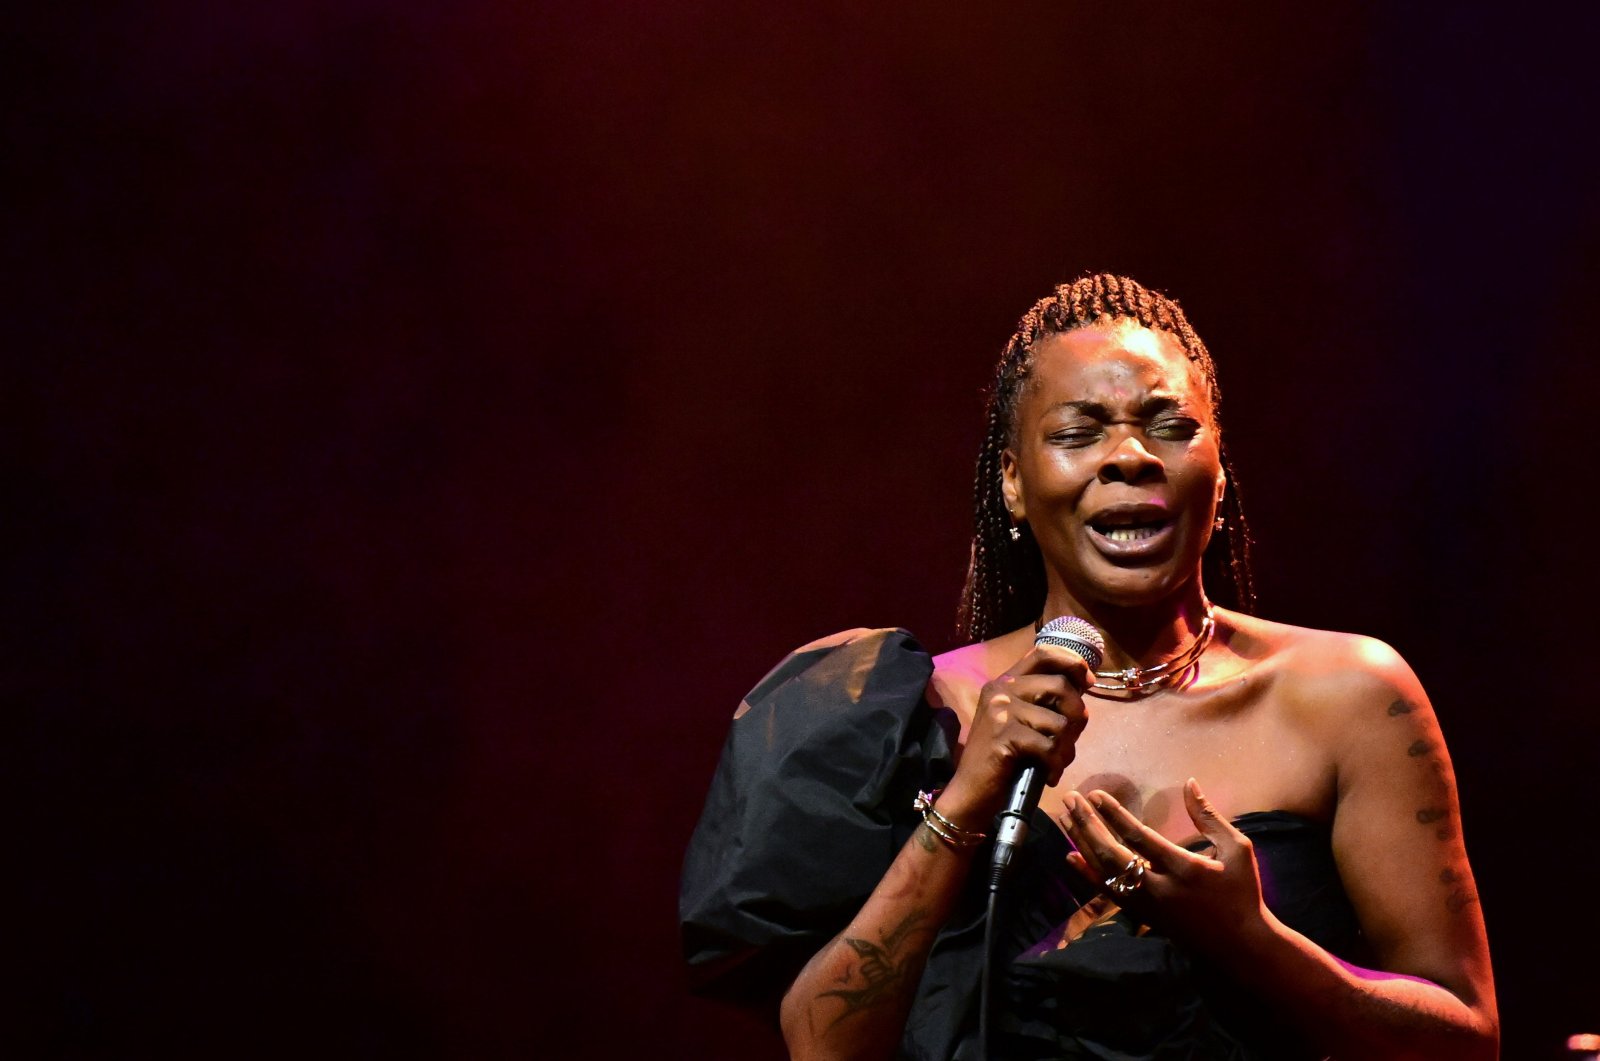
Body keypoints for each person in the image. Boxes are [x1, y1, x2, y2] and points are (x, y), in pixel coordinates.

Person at [680, 274, 1497, 1060]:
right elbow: (823, 1045)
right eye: (1077, 432)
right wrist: (964, 801)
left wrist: (1255, 941)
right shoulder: (909, 709)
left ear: (1218, 473)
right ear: (1012, 482)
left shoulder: (1348, 697)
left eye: (1169, 424)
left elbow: (1466, 1040)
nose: (1130, 455)